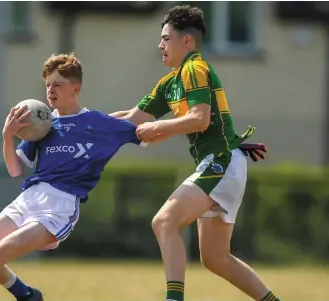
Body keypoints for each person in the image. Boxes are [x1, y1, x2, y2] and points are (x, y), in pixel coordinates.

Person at [111, 5, 280, 301]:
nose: (160, 45)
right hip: (221, 162)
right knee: (215, 258)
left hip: (222, 161)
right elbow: (132, 118)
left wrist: (160, 128)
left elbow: (200, 119)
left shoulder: (194, 68)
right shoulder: (170, 82)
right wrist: (80, 124)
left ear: (186, 41)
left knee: (164, 221)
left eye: (166, 38)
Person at [0, 53, 148, 301]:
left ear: (76, 88)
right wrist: (8, 136)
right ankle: (26, 295)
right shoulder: (43, 124)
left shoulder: (98, 123)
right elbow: (16, 170)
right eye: (48, 85)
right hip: (29, 198)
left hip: (59, 206)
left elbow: (145, 132)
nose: (50, 90)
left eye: (57, 84)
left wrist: (186, 123)